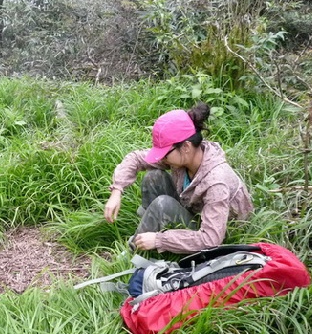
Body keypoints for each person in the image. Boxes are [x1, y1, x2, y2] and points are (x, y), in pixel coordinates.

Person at [103, 102, 253, 254]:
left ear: (186, 147)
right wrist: (117, 190)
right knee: (153, 177)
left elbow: (211, 239)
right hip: (194, 211)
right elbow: (135, 158)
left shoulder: (216, 182)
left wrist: (160, 240)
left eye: (165, 154)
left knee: (163, 204)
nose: (162, 158)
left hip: (216, 232)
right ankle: (148, 229)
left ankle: (131, 253)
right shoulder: (185, 156)